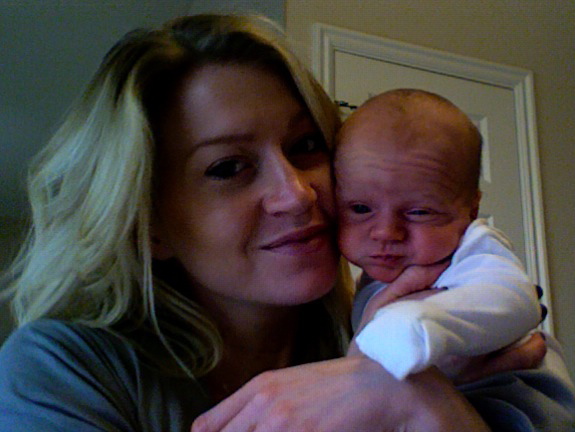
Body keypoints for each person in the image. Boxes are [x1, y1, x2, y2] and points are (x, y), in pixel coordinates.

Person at [0, 14, 572, 432]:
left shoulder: (422, 313)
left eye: (305, 145)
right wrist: (389, 387)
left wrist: (422, 401)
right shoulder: (65, 369)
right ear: (149, 226)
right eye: (228, 168)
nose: (297, 194)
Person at [335, 89, 542, 381]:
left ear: (471, 210)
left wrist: (422, 324)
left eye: (419, 212)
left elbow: (516, 300)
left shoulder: (473, 248)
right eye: (360, 208)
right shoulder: (369, 280)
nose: (386, 232)